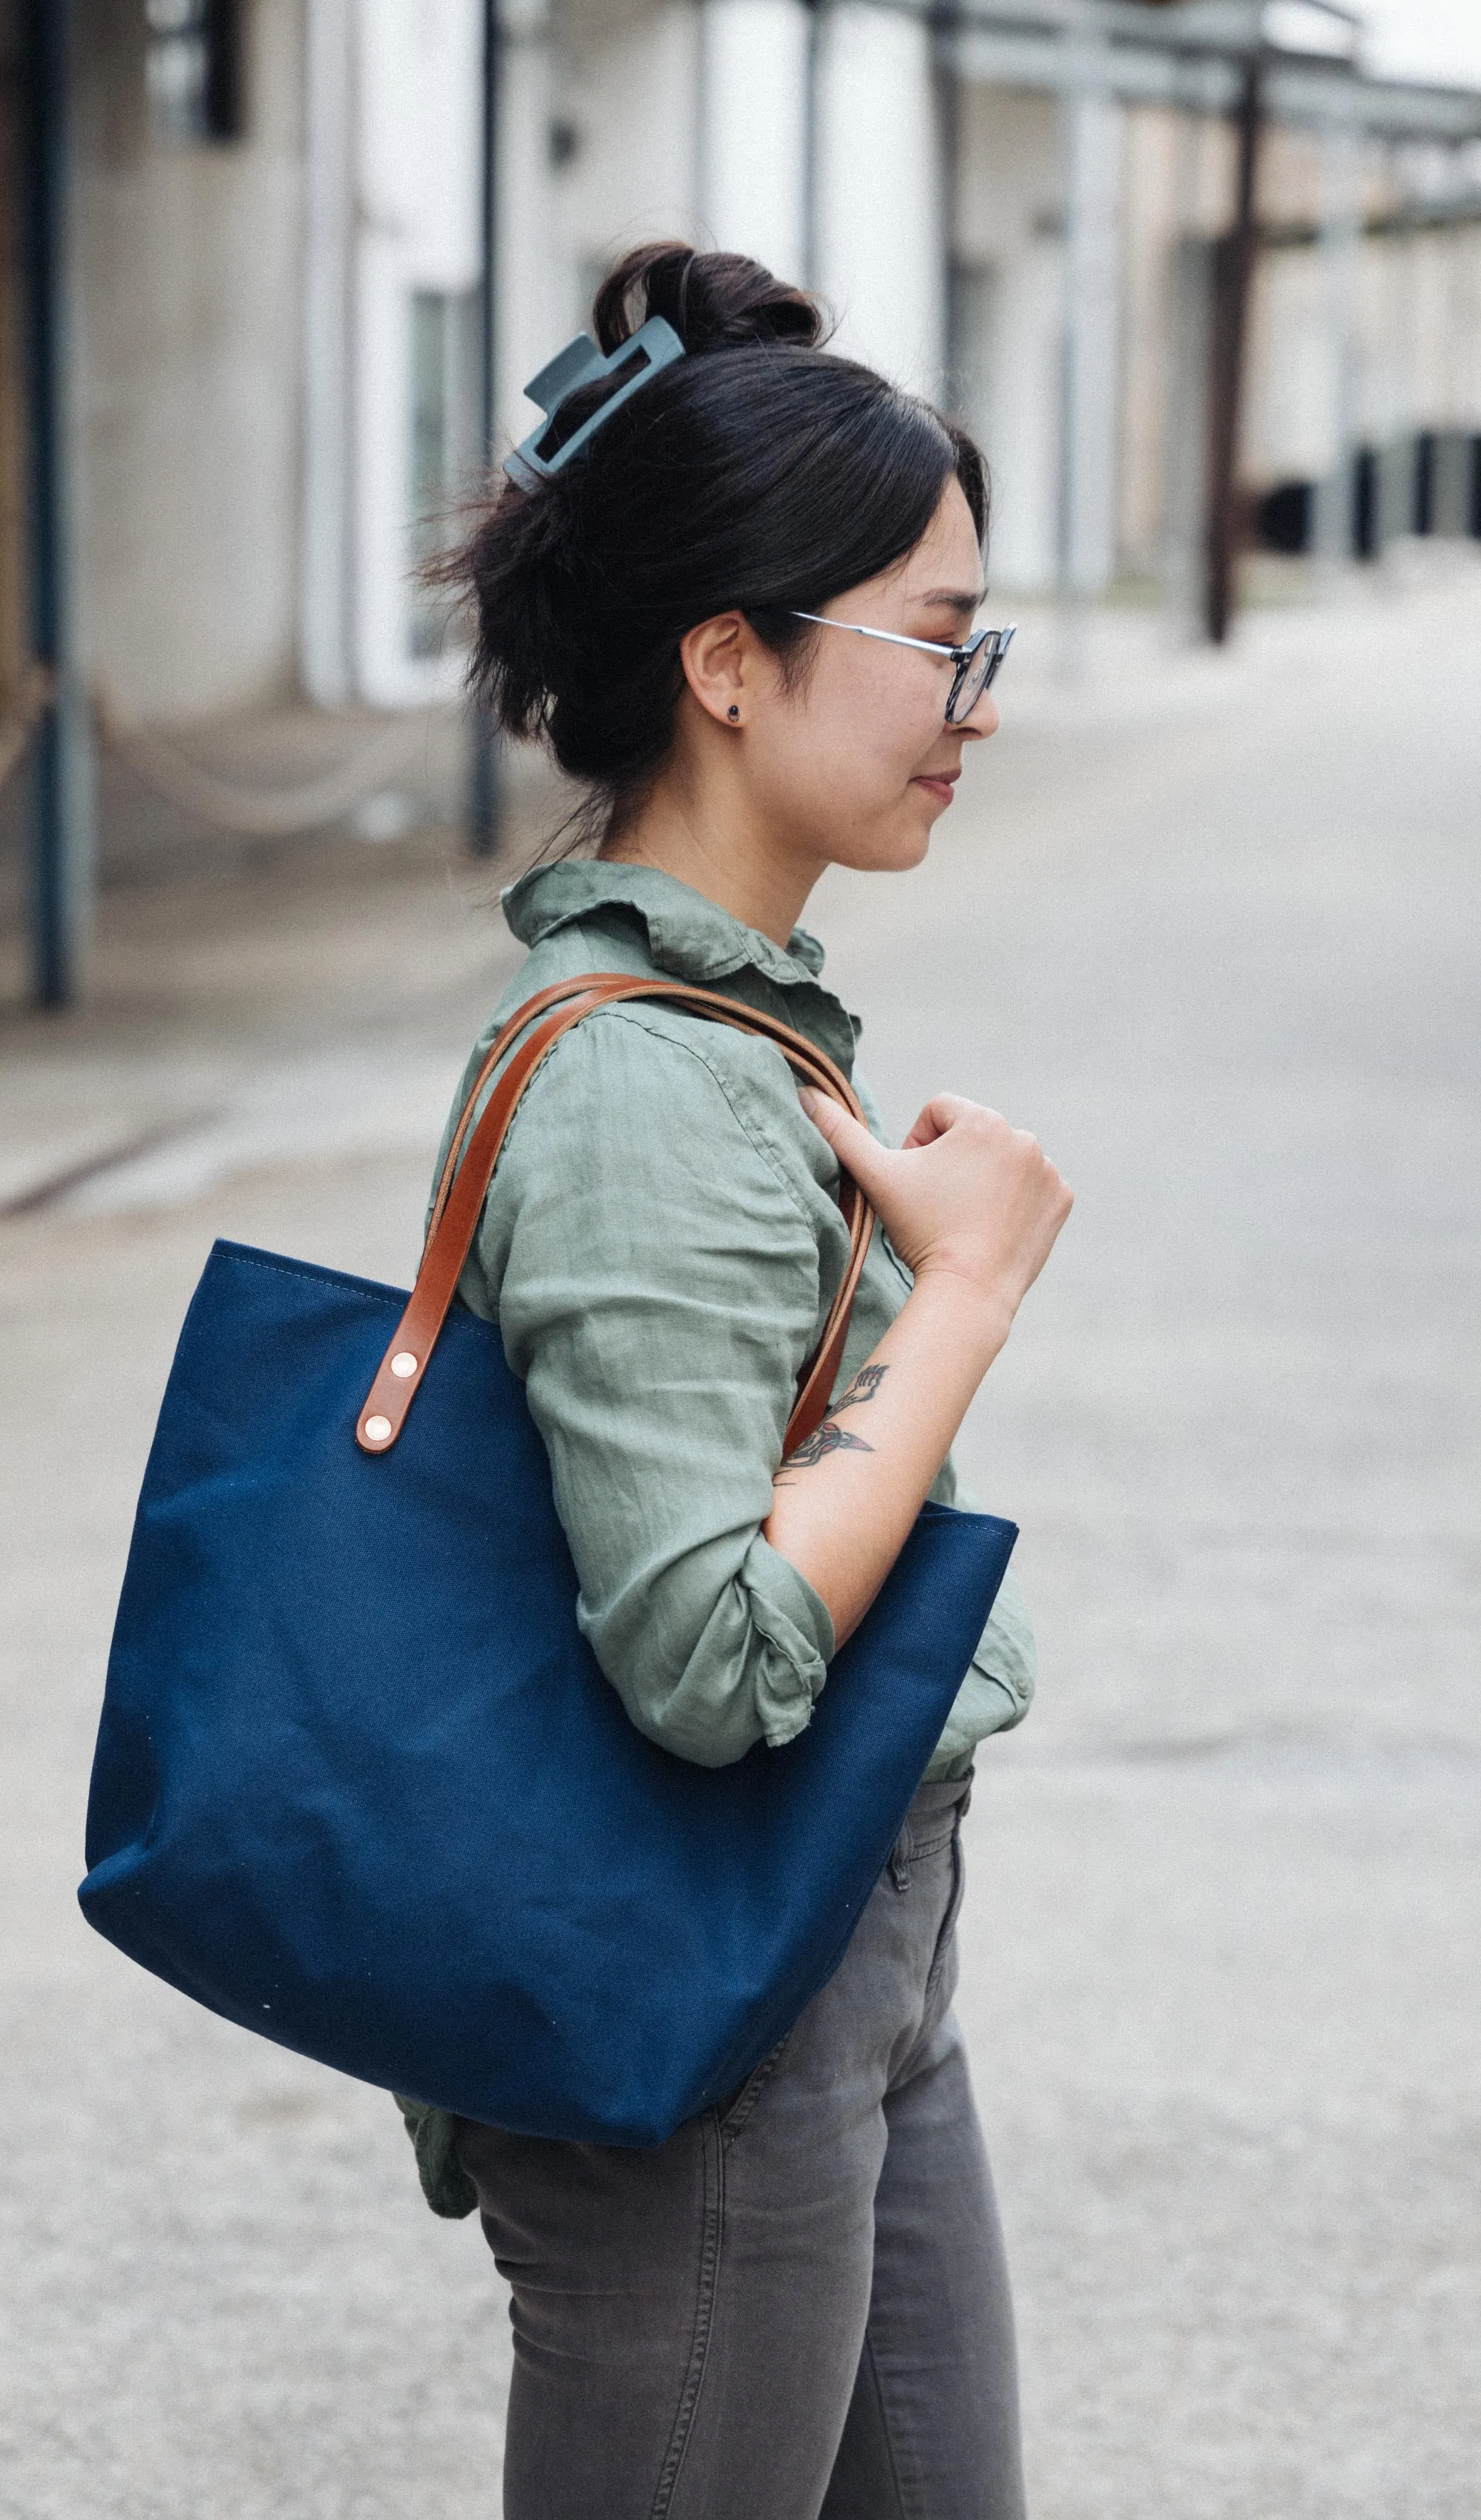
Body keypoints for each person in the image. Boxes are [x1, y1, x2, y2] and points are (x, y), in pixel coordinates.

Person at [400, 242, 1072, 2520]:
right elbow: (704, 1654)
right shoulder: (655, 1086)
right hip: (713, 1994)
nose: (971, 697)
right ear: (724, 660)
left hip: (851, 1933)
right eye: (929, 637)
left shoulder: (739, 1028)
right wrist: (964, 1294)